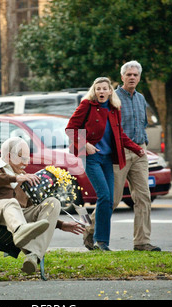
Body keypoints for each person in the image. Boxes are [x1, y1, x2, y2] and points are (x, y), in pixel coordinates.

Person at [0, 137, 85, 274]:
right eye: (22, 158)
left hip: (17, 215)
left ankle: (33, 255)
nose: (27, 162)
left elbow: (32, 207)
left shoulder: (24, 177)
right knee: (11, 202)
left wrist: (60, 224)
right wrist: (14, 178)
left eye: (27, 158)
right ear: (8, 156)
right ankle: (20, 230)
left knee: (53, 202)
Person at [65, 77, 144, 251]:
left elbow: (119, 134)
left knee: (109, 201)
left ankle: (102, 242)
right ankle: (100, 241)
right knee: (105, 196)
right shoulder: (87, 105)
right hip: (91, 157)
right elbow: (70, 128)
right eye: (98, 88)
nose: (101, 91)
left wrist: (136, 148)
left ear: (110, 91)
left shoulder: (115, 109)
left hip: (108, 158)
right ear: (94, 91)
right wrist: (85, 144)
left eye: (104, 89)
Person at [113, 60, 161, 251]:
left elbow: (142, 124)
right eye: (129, 74)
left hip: (139, 152)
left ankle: (142, 242)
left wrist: (144, 144)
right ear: (122, 77)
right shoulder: (113, 98)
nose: (132, 77)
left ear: (139, 77)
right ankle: (92, 233)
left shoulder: (141, 98)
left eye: (135, 75)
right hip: (121, 151)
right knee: (113, 198)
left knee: (143, 197)